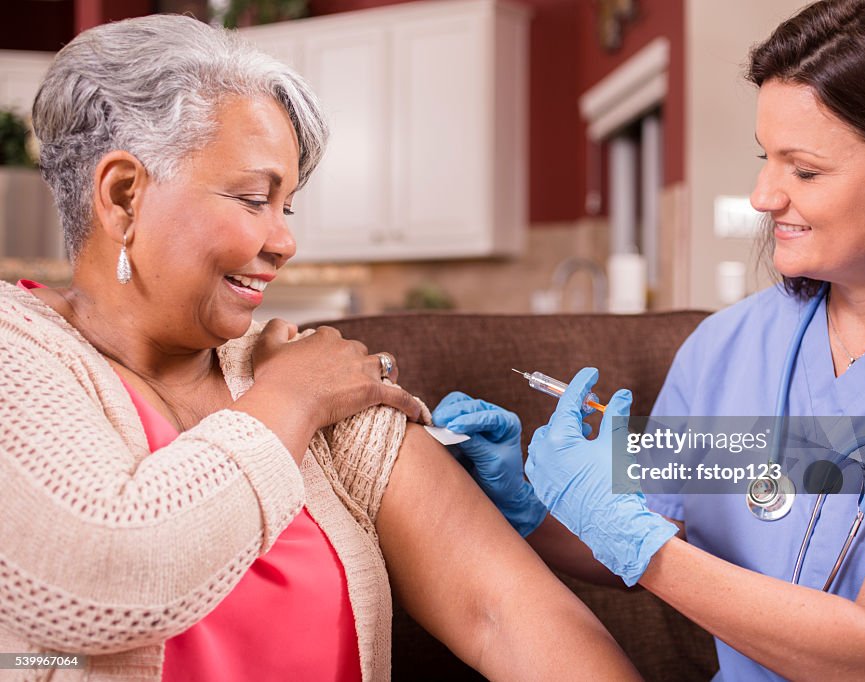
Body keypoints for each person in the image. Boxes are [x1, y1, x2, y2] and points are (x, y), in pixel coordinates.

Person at [0, 14, 644, 681]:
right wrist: (292, 399)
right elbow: (103, 580)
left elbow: (504, 611)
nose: (284, 242)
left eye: (288, 206)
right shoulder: (20, 353)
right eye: (253, 198)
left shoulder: (314, 379)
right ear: (123, 196)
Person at [435, 0, 865, 679]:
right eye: (764, 157)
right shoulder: (728, 347)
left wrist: (639, 543)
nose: (763, 195)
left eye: (803, 169)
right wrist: (534, 507)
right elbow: (645, 532)